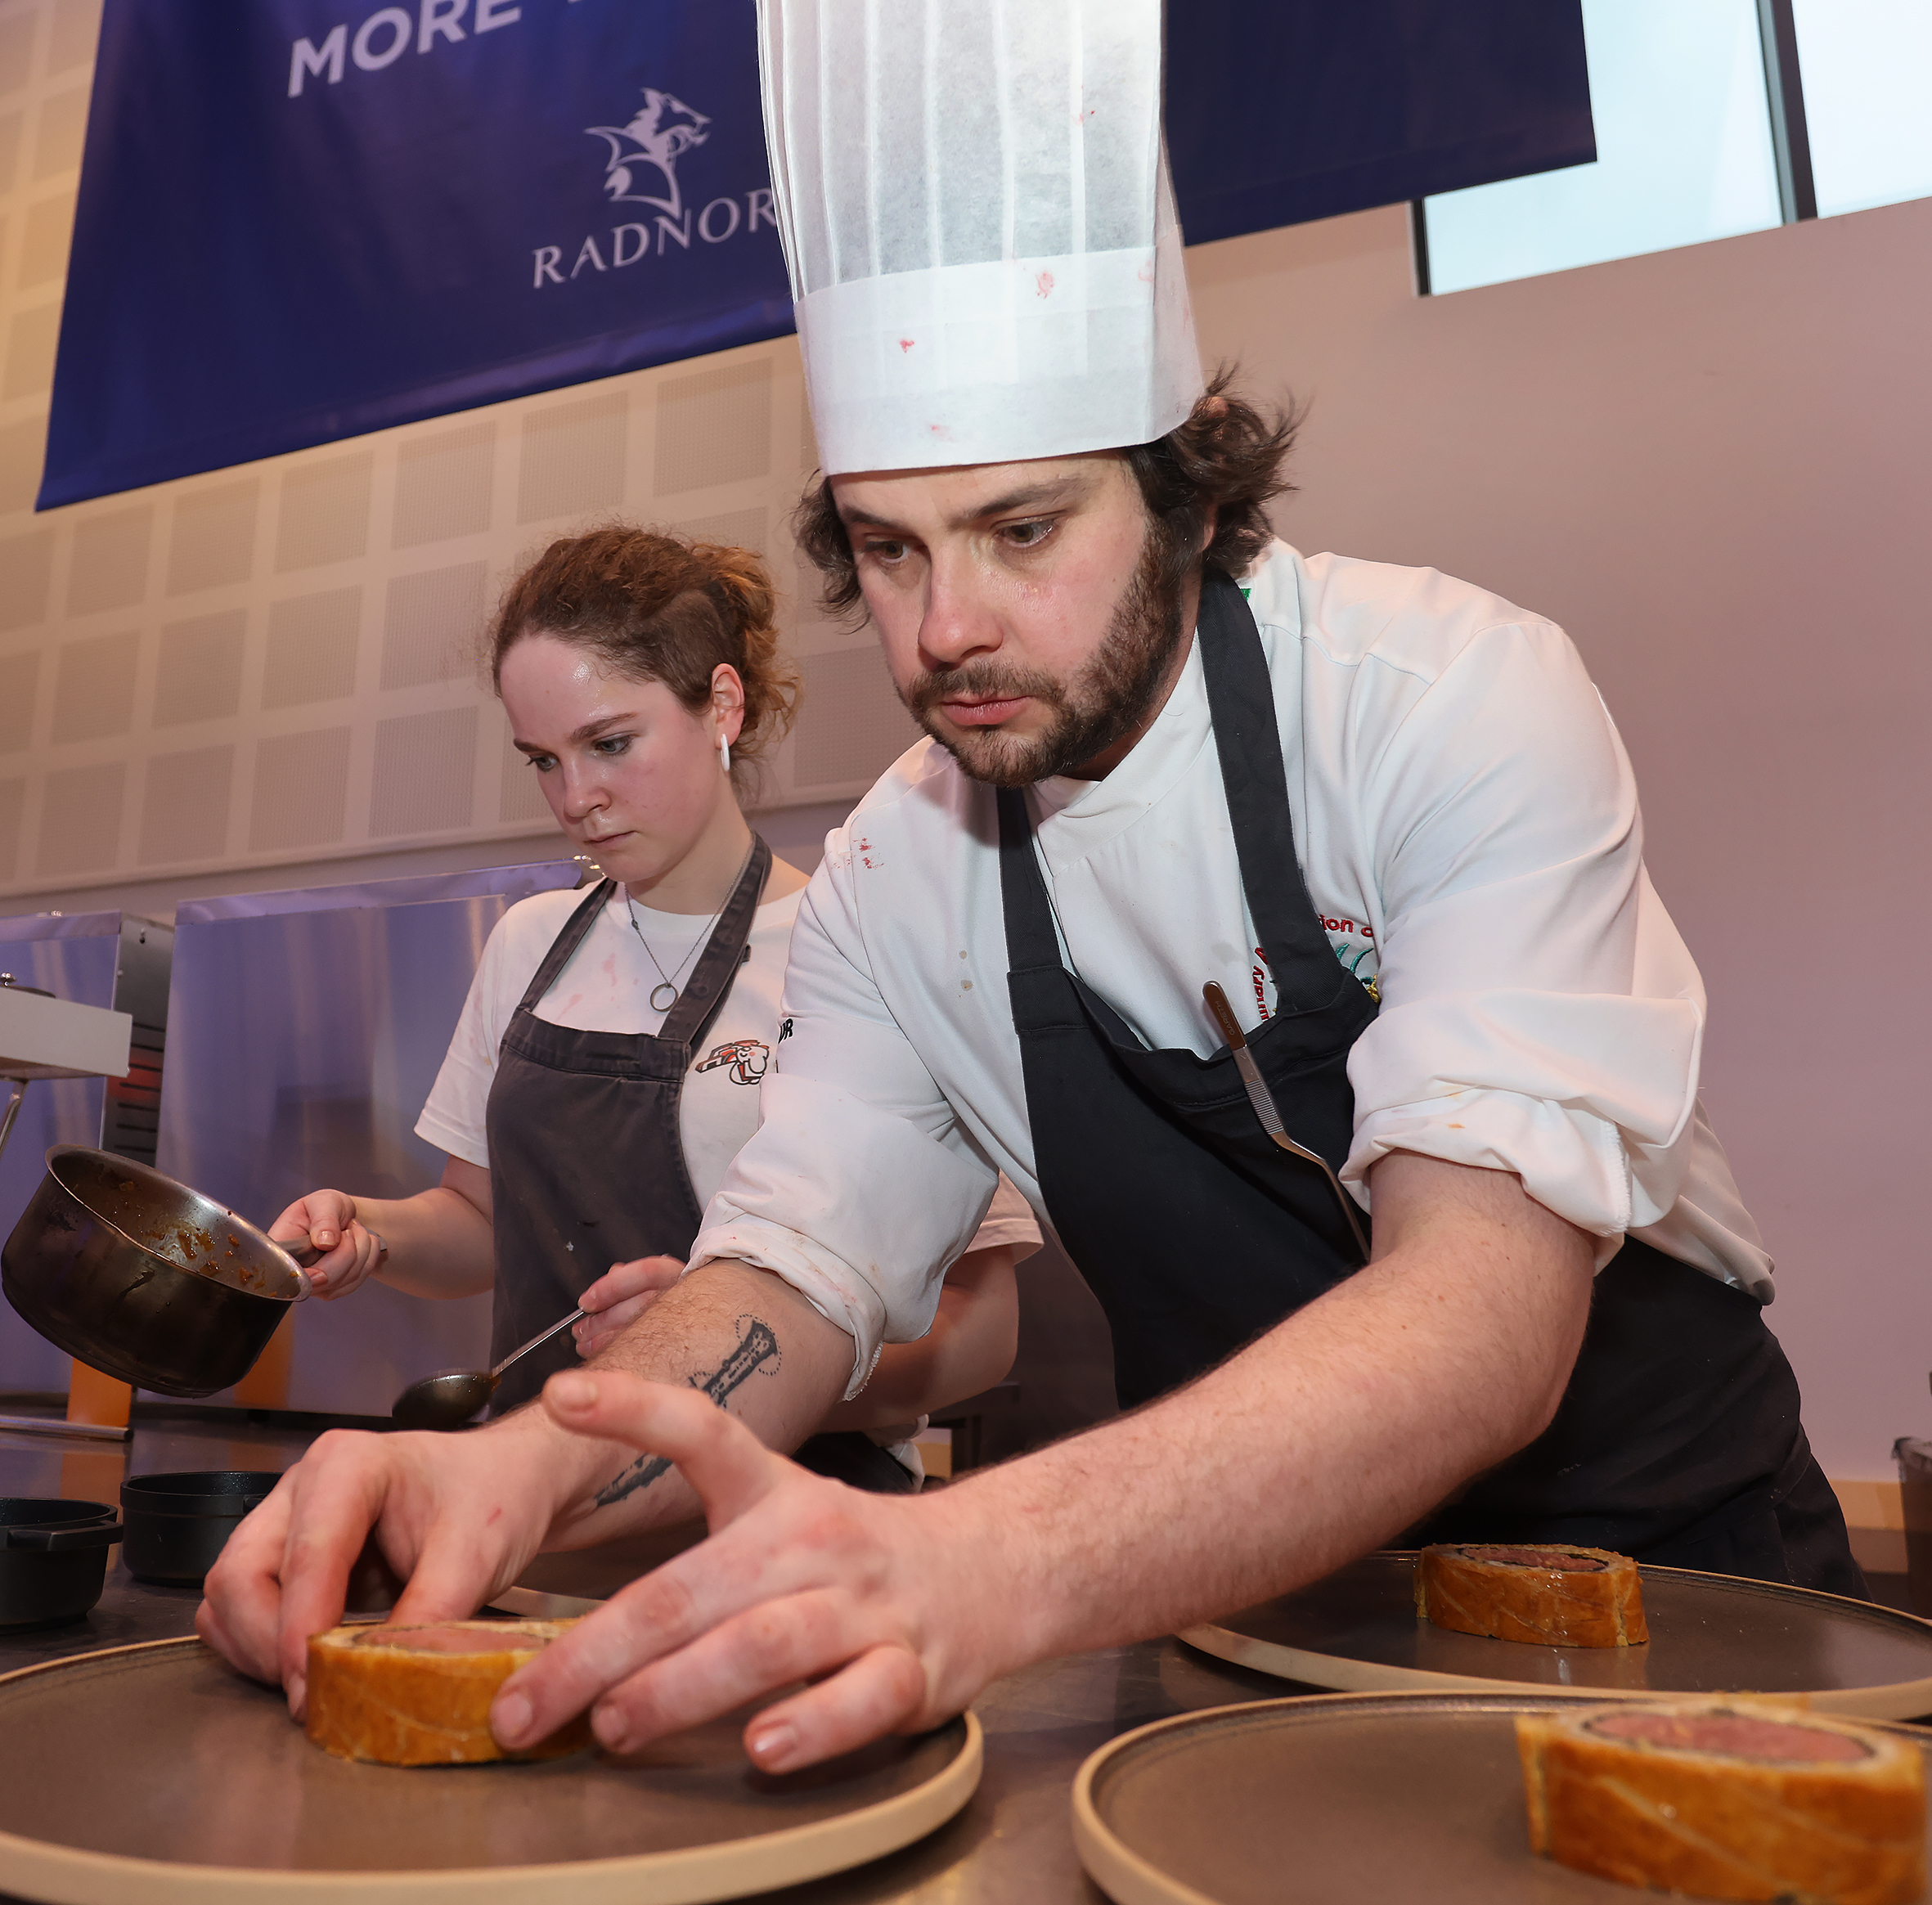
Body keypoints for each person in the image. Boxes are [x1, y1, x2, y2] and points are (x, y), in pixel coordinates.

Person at [201, 0, 1859, 1774]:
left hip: (1661, 1589)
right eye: (889, 548)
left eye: (1021, 529)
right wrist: (514, 1471)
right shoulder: (893, 877)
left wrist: (984, 1558)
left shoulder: (1437, 702)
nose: (945, 629)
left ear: (1190, 489)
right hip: (1244, 1611)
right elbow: (795, 1275)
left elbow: (1482, 1322)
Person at [266, 526, 1037, 1490]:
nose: (575, 797)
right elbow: (480, 1221)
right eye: (542, 760)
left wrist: (735, 1372)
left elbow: (982, 1328)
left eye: (609, 743)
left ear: (721, 704)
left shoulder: (858, 952)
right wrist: (370, 1234)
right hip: (546, 1501)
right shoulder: (529, 945)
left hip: (789, 1511)